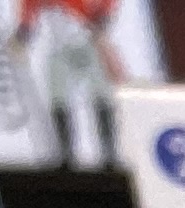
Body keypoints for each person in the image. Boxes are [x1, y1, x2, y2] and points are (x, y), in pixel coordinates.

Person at [12, 0, 123, 170]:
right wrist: (22, 35)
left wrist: (103, 18)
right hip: (59, 46)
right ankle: (66, 156)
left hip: (87, 38)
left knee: (101, 95)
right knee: (58, 97)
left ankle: (110, 153)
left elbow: (106, 5)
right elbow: (29, 11)